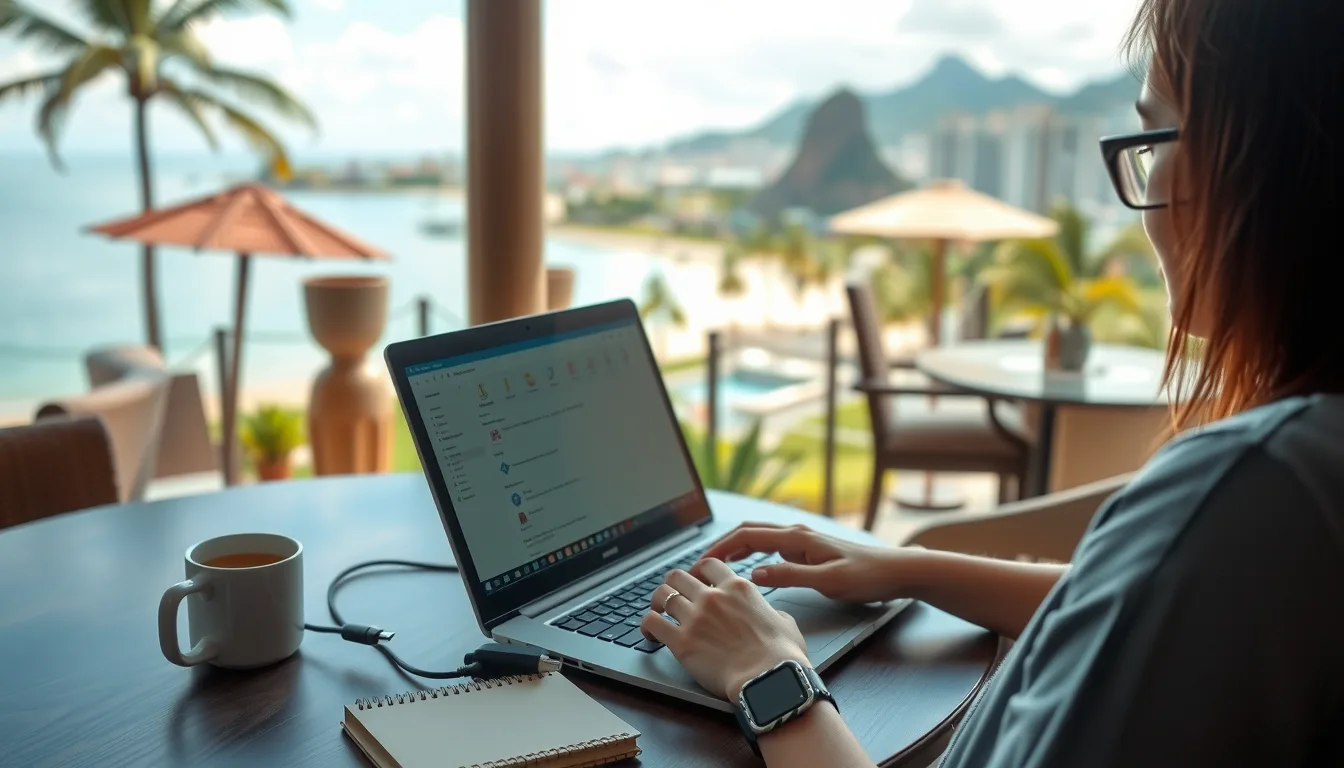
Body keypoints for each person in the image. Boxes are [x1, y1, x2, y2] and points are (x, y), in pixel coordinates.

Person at [637, 0, 1344, 764]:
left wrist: (769, 676)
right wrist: (905, 567)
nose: (1145, 189)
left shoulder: (1256, 490)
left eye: (1155, 134)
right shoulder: (1297, 484)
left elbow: (1171, 589)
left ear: (1266, 160)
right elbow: (1151, 608)